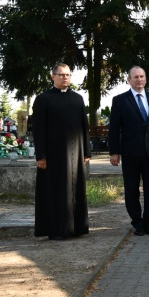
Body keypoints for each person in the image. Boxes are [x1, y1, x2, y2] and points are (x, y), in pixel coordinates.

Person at [32, 63, 91, 240]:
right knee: (56, 191)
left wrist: (86, 151)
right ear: (53, 76)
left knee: (75, 189)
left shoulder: (78, 99)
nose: (65, 77)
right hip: (54, 156)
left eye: (68, 75)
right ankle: (57, 229)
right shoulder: (43, 99)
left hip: (77, 154)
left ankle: (77, 228)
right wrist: (41, 155)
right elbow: (38, 129)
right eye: (61, 75)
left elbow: (84, 127)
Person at [109, 66, 149, 236]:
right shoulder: (120, 100)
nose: (139, 79)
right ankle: (137, 222)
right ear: (129, 80)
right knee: (131, 189)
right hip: (130, 153)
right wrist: (114, 152)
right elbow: (114, 128)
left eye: (142, 76)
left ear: (146, 78)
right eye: (135, 77)